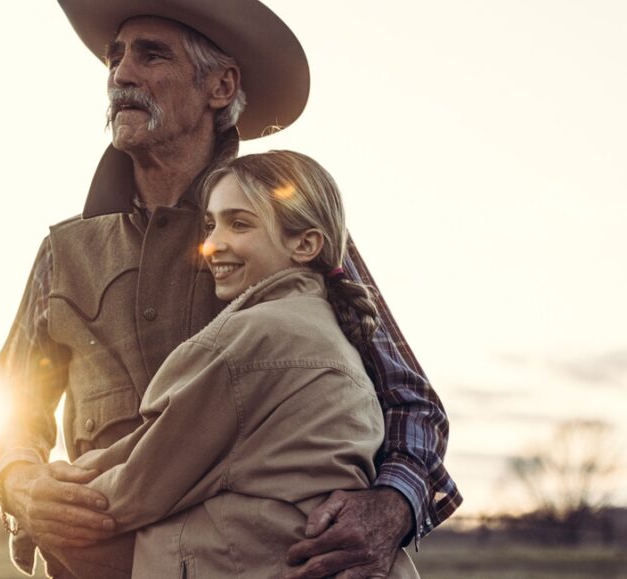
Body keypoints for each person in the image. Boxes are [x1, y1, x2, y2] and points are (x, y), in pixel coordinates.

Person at [0, 1, 461, 577]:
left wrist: (391, 509)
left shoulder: (285, 225)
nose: (122, 74)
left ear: (220, 85)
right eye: (115, 57)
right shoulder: (63, 254)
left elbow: (412, 404)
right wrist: (22, 484)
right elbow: (10, 410)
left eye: (151, 54)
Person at [61, 149, 420, 578]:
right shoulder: (326, 329)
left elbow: (145, 480)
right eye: (210, 224)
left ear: (305, 244)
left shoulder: (251, 337)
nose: (212, 243)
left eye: (240, 223)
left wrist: (49, 504)